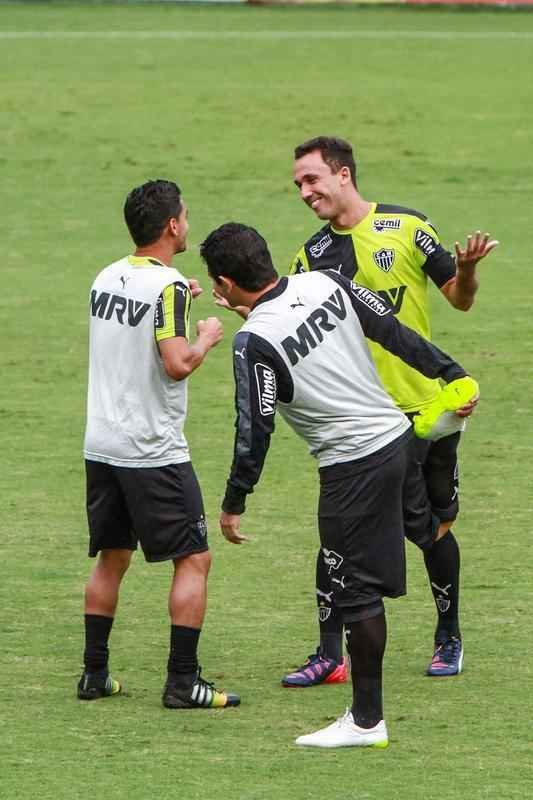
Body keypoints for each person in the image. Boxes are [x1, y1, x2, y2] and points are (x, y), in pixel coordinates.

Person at [215, 137, 496, 682]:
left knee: (433, 529)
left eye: (312, 179)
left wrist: (465, 274)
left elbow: (459, 300)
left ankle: (448, 636)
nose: (304, 191)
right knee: (336, 535)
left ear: (343, 175)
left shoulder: (409, 228)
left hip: (428, 408)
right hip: (365, 418)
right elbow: (287, 327)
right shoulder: (311, 259)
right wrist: (248, 310)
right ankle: (329, 653)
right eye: (298, 183)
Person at [200, 222, 478, 748]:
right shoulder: (327, 282)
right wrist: (452, 373)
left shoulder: (252, 342)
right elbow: (394, 333)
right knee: (424, 539)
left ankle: (366, 721)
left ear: (225, 282)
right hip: (397, 440)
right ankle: (441, 641)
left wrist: (236, 498)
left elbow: (255, 425)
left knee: (357, 593)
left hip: (353, 468)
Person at [79, 179, 239, 710]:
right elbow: (176, 365)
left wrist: (179, 298)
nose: (187, 223)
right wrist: (207, 338)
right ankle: (182, 681)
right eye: (185, 216)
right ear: (172, 226)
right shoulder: (166, 289)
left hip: (101, 445)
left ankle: (94, 675)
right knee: (193, 559)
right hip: (151, 450)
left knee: (111, 558)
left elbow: (134, 326)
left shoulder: (107, 277)